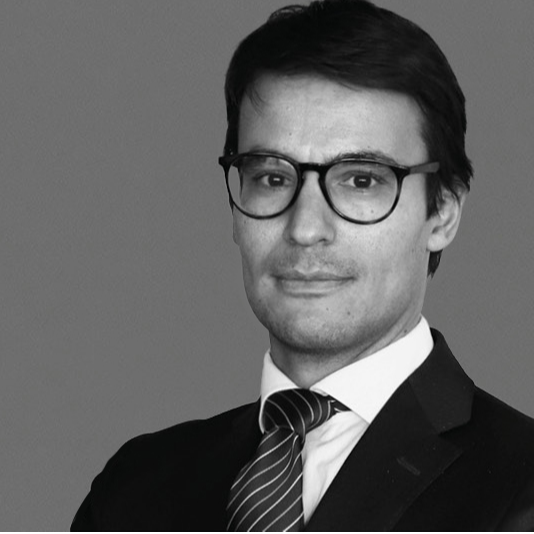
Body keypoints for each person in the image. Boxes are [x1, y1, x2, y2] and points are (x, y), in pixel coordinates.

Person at [71, 0, 534, 531]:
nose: (306, 227)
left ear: (443, 213)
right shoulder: (135, 489)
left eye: (361, 180)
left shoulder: (521, 489)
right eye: (272, 178)